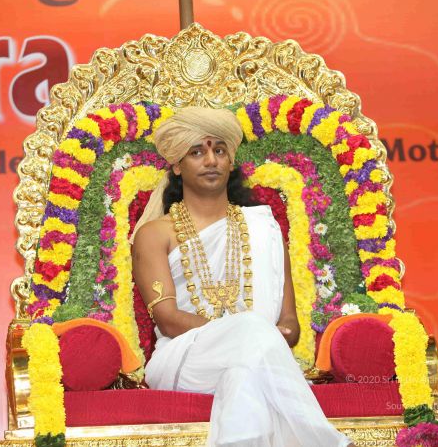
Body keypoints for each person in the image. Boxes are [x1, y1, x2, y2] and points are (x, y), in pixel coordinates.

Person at [131, 107, 352, 447]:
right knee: (251, 331)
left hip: (256, 356)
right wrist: (247, 330)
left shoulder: (263, 227)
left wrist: (272, 333)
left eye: (219, 150)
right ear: (176, 165)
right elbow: (168, 319)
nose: (211, 160)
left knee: (242, 376)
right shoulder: (154, 234)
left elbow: (289, 324)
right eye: (197, 152)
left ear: (231, 160)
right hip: (185, 357)